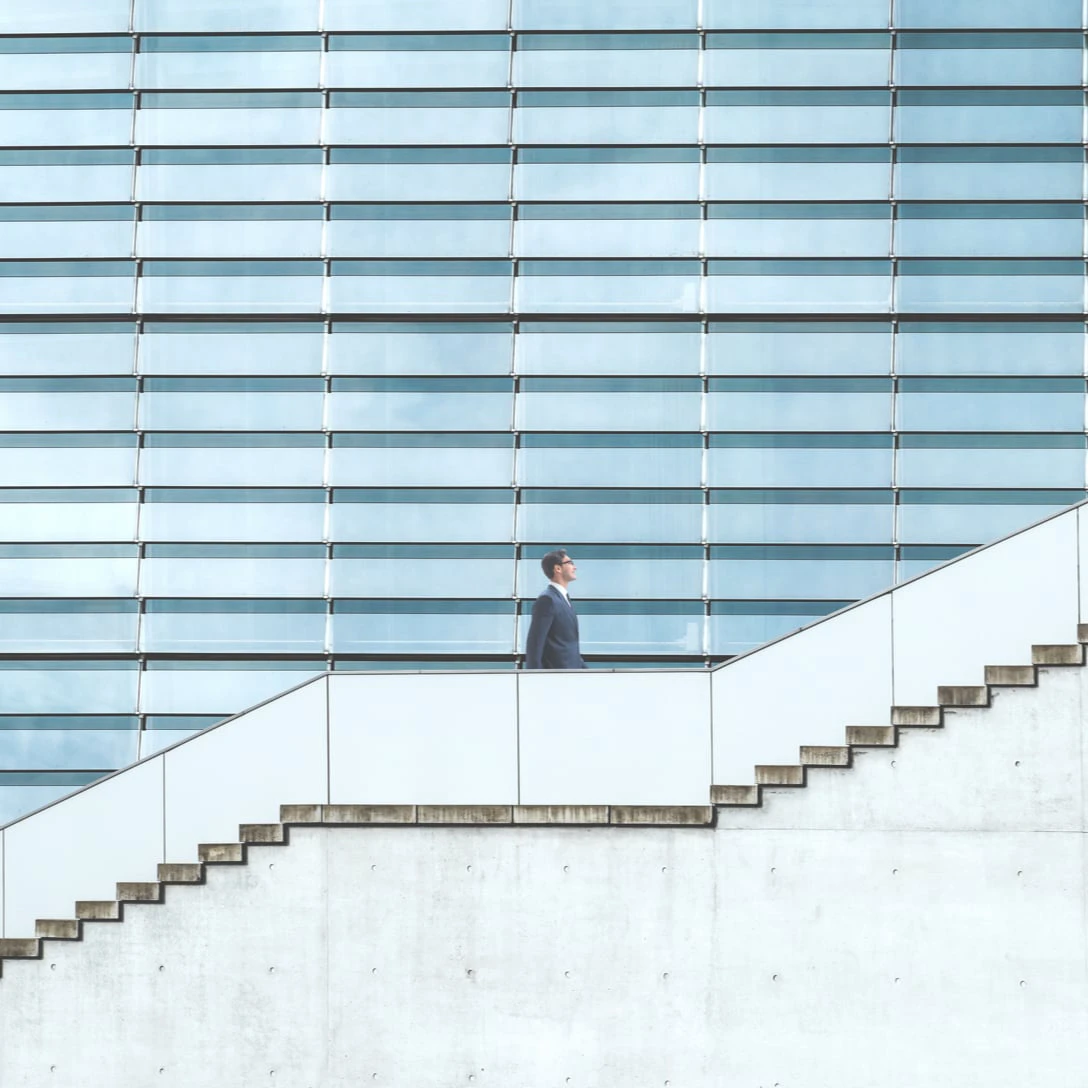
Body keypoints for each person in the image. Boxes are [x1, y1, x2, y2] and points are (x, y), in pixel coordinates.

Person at [524, 548, 587, 670]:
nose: (575, 567)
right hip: (556, 678)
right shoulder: (547, 600)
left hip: (572, 674)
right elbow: (535, 644)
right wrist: (532, 677)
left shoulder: (564, 599)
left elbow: (568, 645)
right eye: (570, 563)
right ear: (557, 568)